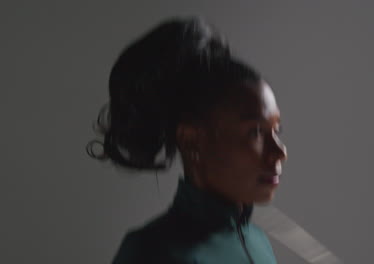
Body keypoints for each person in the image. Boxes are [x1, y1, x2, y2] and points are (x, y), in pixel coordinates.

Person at [87, 16, 287, 264]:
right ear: (191, 140)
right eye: (255, 132)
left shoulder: (257, 242)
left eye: (276, 129)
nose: (279, 152)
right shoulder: (152, 254)